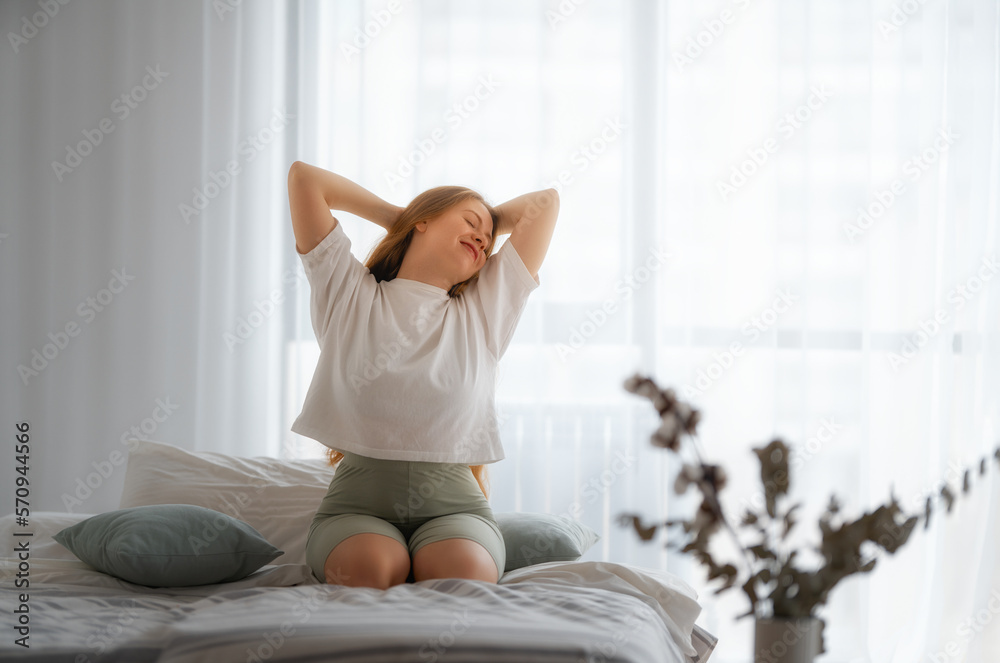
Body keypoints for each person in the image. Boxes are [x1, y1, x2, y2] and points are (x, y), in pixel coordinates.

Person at [287, 161, 559, 589]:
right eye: (470, 223)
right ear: (422, 223)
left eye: (488, 241)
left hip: (455, 508)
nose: (482, 239)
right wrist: (401, 216)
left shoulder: (483, 313)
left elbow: (545, 205)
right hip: (358, 505)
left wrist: (481, 217)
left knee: (460, 578)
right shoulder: (347, 293)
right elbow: (305, 180)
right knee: (370, 571)